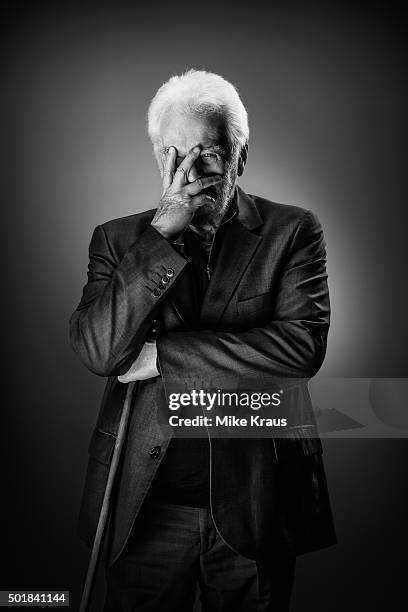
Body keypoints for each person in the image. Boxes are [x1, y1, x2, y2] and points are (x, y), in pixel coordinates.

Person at [70, 69, 336, 611]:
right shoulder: (119, 241)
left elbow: (299, 349)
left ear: (240, 154)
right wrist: (162, 235)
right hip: (144, 505)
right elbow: (100, 350)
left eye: (209, 154)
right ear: (156, 158)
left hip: (258, 503)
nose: (191, 176)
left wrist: (162, 357)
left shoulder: (294, 231)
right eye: (173, 155)